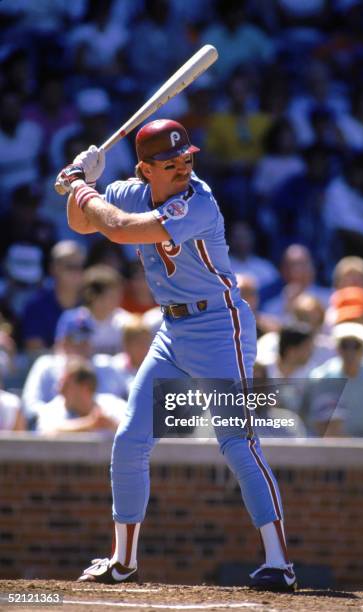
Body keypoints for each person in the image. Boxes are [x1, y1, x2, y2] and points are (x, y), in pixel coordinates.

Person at [55, 118, 297, 591]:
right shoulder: (130, 191)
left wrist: (83, 188)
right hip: (173, 329)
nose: (184, 167)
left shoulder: (199, 201)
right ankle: (122, 561)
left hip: (220, 326)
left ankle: (279, 563)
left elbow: (122, 231)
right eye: (171, 163)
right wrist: (85, 181)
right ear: (146, 170)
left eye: (187, 158)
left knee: (237, 442)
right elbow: (80, 223)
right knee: (129, 441)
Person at [37, 357, 126, 435]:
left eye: (66, 385)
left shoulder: (113, 405)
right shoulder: (51, 410)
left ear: (85, 387)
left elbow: (134, 431)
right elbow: (46, 433)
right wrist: (89, 424)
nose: (59, 390)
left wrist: (110, 424)